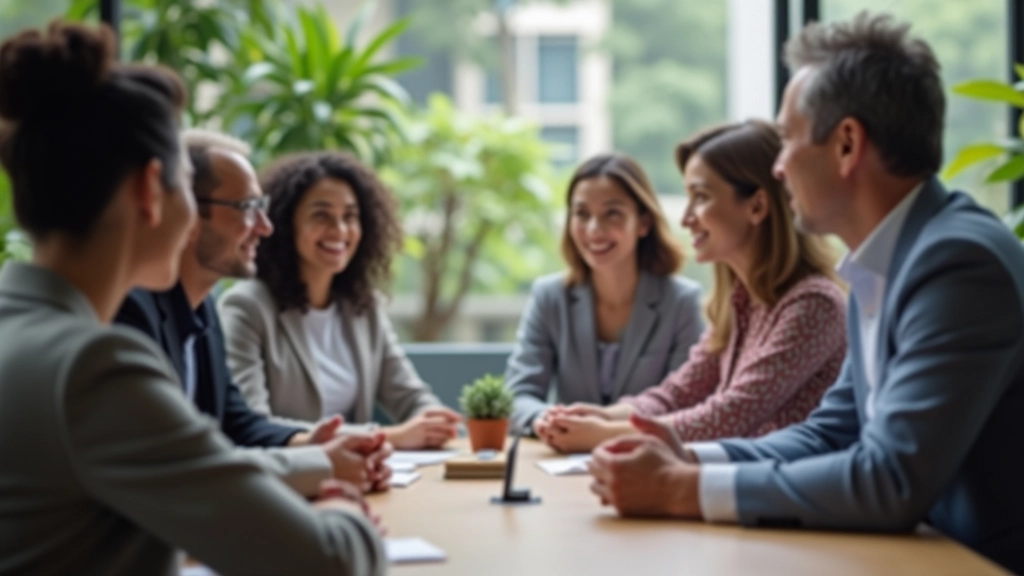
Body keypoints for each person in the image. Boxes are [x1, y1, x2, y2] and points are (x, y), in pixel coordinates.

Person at [587, 13, 1024, 574]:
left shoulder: (958, 265)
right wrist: (685, 455)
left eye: (788, 138)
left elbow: (890, 480)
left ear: (846, 145)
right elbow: (832, 431)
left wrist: (681, 489)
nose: (777, 165)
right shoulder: (888, 262)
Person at [0, 21, 384, 575]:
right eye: (184, 182)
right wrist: (344, 515)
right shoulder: (93, 367)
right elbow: (325, 562)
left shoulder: (22, 334)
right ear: (149, 191)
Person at [540, 121, 846, 454]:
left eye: (700, 197)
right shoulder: (740, 302)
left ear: (757, 206)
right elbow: (679, 393)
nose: (686, 218)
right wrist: (602, 415)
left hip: (785, 500)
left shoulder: (814, 304)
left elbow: (730, 415)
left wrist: (605, 434)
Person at [115, 128, 391, 495]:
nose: (266, 227)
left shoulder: (203, 308)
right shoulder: (131, 312)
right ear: (189, 214)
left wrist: (311, 441)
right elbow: (170, 461)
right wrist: (321, 464)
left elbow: (236, 424)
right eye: (247, 208)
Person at [219, 151, 461, 449]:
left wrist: (432, 421)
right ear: (284, 223)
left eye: (350, 216)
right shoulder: (247, 307)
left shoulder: (362, 306)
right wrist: (386, 436)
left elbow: (409, 396)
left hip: (361, 476)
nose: (340, 230)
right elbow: (253, 425)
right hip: (291, 479)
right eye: (321, 215)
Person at [506, 153, 704, 438]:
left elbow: (686, 401)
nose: (594, 230)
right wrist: (546, 419)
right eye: (582, 214)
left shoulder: (682, 301)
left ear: (643, 223)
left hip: (647, 459)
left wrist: (604, 430)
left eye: (612, 213)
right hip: (561, 459)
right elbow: (518, 394)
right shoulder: (549, 297)